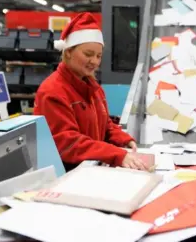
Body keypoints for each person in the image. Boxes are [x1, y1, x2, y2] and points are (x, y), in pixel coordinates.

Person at [34, 13, 149, 171]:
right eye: (88, 54)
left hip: (88, 169)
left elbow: (106, 125)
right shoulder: (53, 91)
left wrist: (123, 139)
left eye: (99, 56)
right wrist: (116, 154)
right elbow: (68, 143)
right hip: (66, 175)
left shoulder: (93, 88)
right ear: (68, 52)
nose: (94, 61)